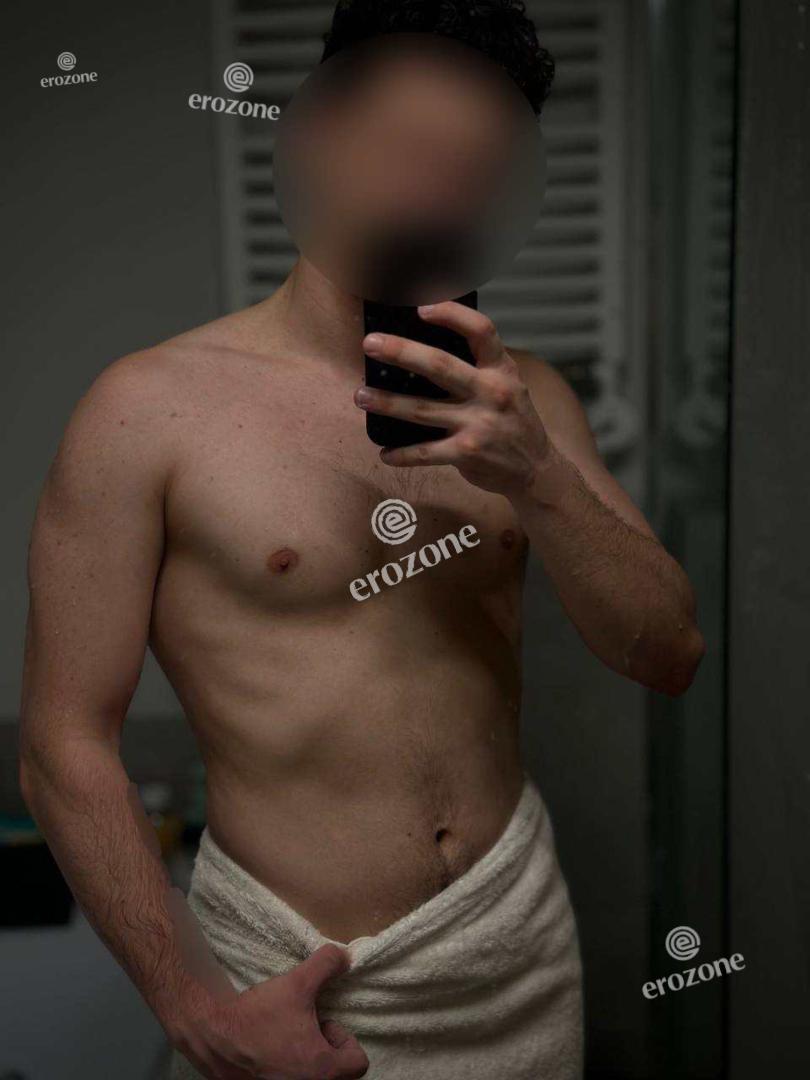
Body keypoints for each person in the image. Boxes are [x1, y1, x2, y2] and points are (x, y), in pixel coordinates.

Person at [18, 3, 705, 1079]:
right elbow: (64, 742)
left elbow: (669, 654)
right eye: (407, 150)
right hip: (289, 973)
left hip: (512, 946)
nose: (436, 193)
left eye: (473, 167)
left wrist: (538, 476)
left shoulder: (529, 405)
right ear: (316, 141)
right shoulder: (145, 411)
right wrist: (194, 1008)